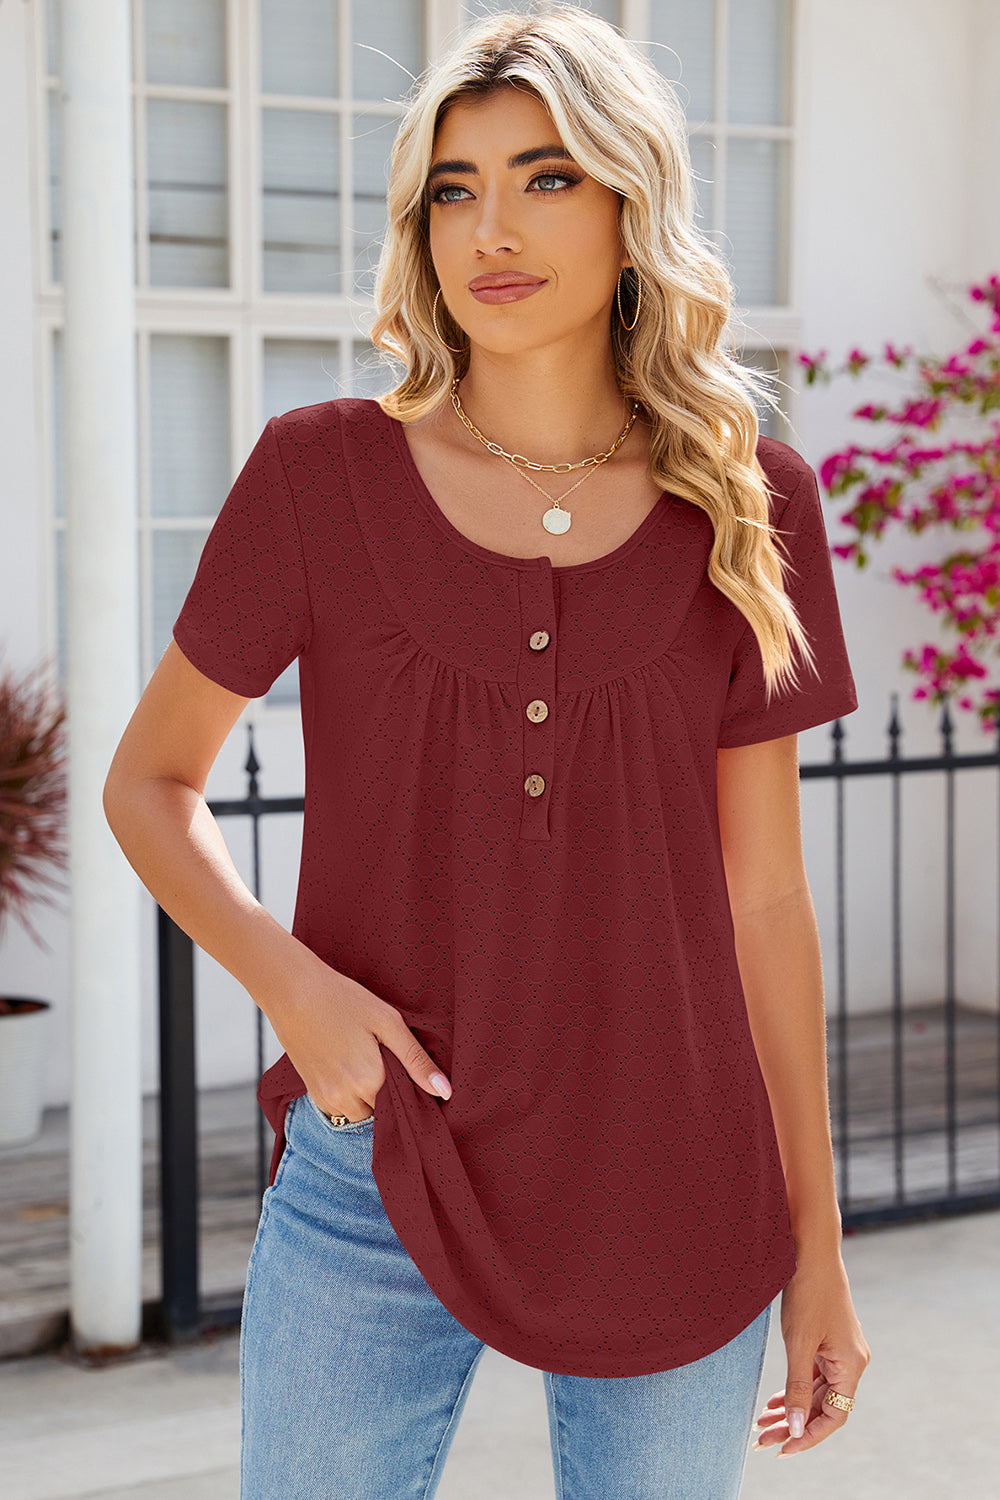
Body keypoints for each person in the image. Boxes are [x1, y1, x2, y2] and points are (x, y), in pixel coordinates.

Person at [103, 6, 870, 1496]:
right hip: (380, 1158)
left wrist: (818, 1244)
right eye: (453, 190)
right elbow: (152, 782)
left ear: (633, 206)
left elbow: (767, 899)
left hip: (675, 1170)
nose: (491, 230)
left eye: (546, 177)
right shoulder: (320, 476)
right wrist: (295, 990)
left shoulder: (750, 502)